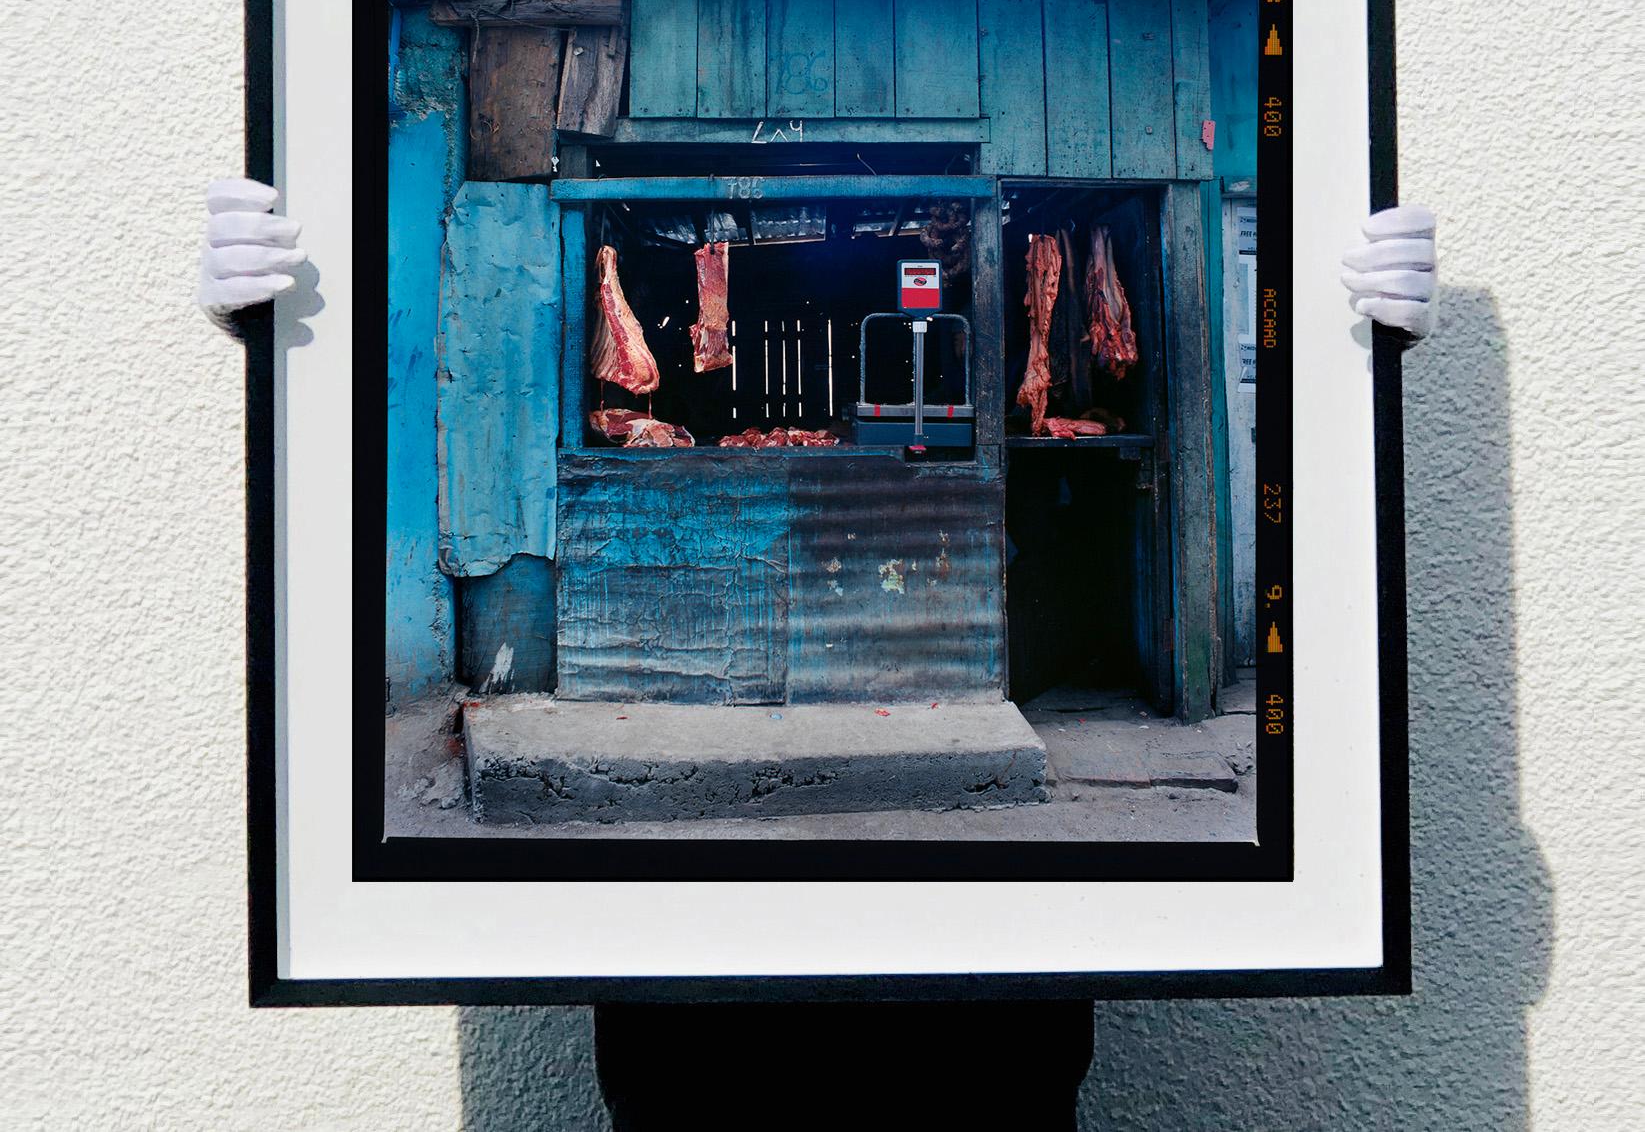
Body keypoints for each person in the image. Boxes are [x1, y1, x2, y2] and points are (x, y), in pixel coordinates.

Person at [197, 177, 1436, 1126]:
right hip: (694, 1045)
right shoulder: (672, 308)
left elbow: (1328, 595)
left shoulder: (955, 298)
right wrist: (267, 362)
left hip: (989, 1038)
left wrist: (1352, 386)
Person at [197, 178, 1440, 338]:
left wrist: (1371, 350)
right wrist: (245, 335)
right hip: (668, 1071)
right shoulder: (672, 271)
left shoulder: (983, 249)